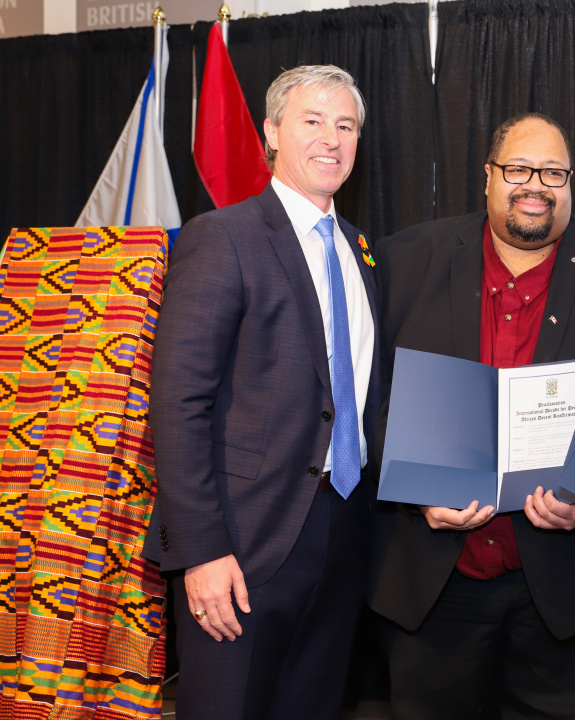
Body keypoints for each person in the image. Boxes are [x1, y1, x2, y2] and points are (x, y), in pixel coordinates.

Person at [368, 112, 575, 719]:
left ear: (570, 183)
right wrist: (416, 488)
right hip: (433, 584)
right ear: (487, 176)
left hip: (572, 592)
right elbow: (366, 398)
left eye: (553, 172)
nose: (536, 185)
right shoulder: (403, 261)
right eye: (518, 169)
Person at [144, 65, 381, 720]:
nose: (331, 139)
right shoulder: (223, 237)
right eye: (312, 121)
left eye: (346, 125)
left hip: (342, 530)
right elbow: (180, 402)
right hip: (243, 544)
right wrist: (202, 552)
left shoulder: (362, 251)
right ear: (272, 133)